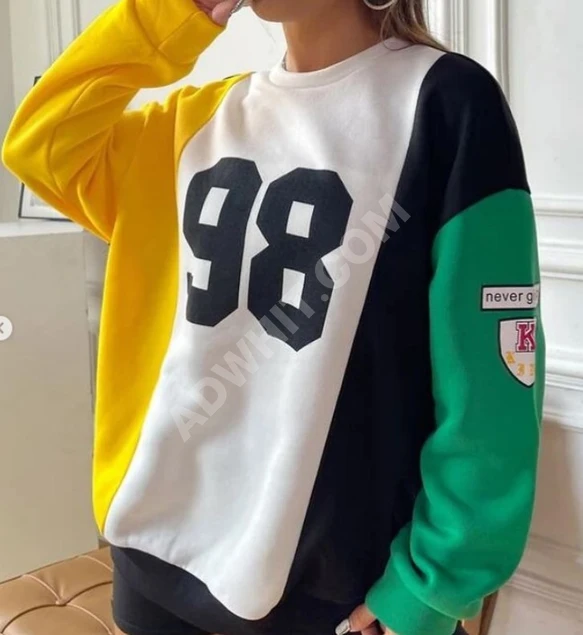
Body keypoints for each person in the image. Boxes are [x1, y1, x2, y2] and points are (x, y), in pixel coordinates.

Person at [2, 0, 545, 633]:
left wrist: (428, 587)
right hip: (152, 564)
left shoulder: (445, 105)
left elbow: (492, 388)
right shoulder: (196, 120)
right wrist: (168, 15)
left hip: (331, 594)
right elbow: (42, 143)